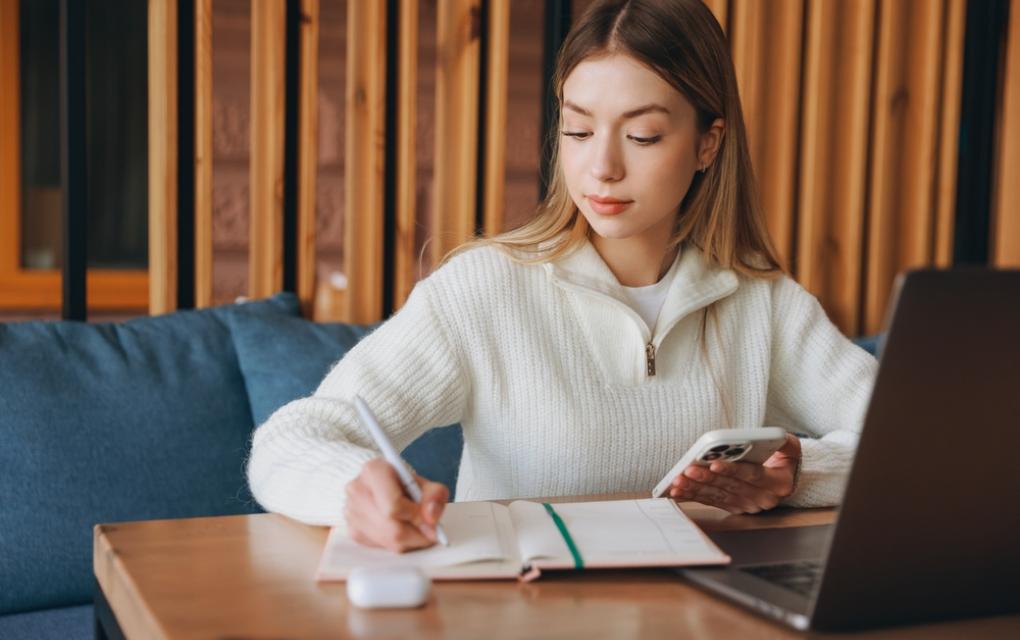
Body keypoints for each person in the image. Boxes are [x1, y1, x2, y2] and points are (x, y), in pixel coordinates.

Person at [246, 0, 877, 553]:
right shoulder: (484, 291)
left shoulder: (763, 305)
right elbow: (293, 438)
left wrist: (795, 476)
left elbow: (914, 445)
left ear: (707, 144)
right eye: (578, 129)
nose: (601, 166)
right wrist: (355, 491)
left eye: (643, 134)